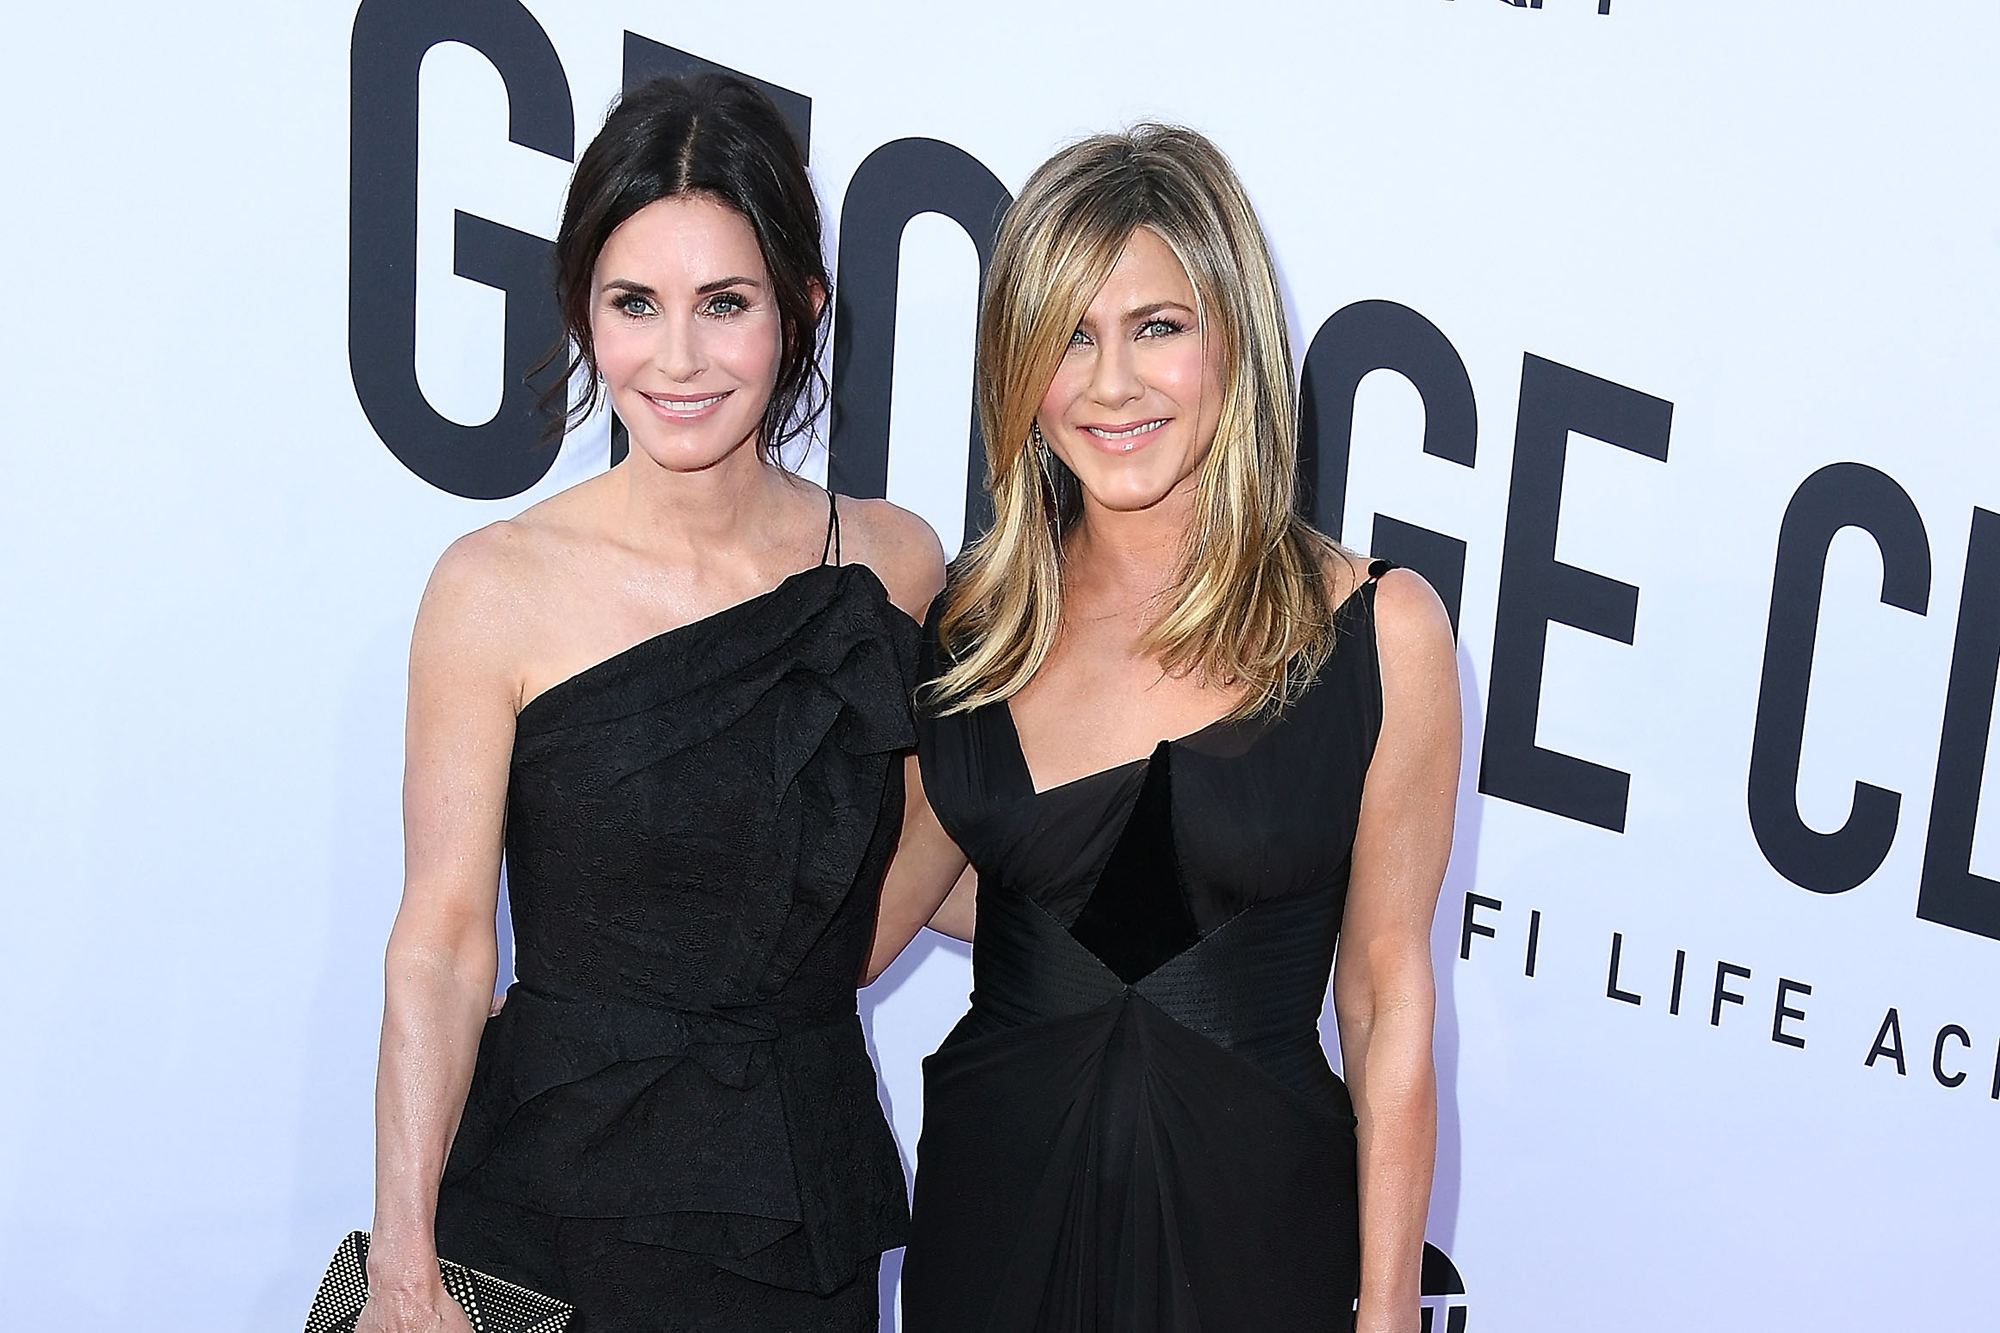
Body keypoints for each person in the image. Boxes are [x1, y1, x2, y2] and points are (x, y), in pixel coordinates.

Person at [358, 74, 942, 1333]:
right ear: (582, 311)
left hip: (800, 1199)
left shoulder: (893, 565)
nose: (676, 359)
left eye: (723, 304)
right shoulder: (494, 586)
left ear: (800, 309)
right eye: (634, 303)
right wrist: (403, 1263)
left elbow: (909, 861)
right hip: (552, 1202)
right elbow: (443, 942)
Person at [865, 125, 1460, 1332]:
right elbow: (880, 912)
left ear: (1232, 336)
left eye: (1156, 327)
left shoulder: (1377, 630)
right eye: (1068, 335)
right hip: (995, 1222)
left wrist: (1388, 1309)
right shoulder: (973, 627)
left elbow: (1386, 996)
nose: (1111, 384)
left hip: (1253, 1236)